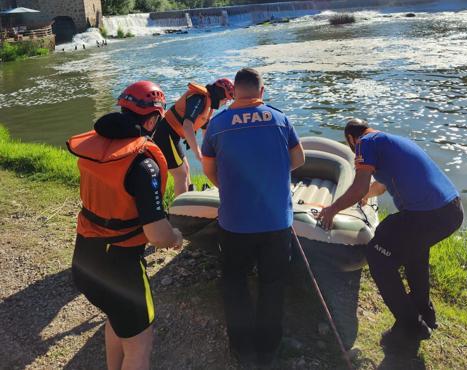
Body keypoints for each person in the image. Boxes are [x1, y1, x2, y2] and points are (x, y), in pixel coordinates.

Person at [319, 118, 463, 349]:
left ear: (351, 139)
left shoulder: (365, 143)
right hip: (451, 210)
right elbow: (380, 185)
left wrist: (332, 209)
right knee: (415, 252)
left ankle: (410, 326)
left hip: (426, 214)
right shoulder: (390, 140)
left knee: (378, 254)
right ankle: (425, 314)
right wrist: (368, 195)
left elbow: (358, 187)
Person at [68, 81, 183, 370]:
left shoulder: (96, 148)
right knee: (140, 346)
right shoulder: (143, 163)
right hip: (120, 267)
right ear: (154, 118)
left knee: (117, 320)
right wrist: (175, 236)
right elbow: (157, 235)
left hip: (84, 261)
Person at [201, 67, 305, 365]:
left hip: (235, 222)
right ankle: (269, 350)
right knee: (272, 284)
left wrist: (232, 186)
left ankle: (243, 349)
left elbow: (209, 170)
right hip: (276, 222)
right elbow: (299, 159)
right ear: (262, 92)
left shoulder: (217, 125)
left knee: (235, 282)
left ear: (233, 92)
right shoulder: (280, 119)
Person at [153, 77, 235, 196]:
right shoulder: (199, 99)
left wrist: (213, 153)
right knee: (180, 174)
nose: (226, 102)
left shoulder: (208, 106)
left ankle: (189, 197)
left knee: (185, 168)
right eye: (226, 99)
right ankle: (181, 211)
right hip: (165, 133)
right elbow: (187, 125)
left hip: (173, 135)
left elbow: (206, 133)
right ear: (220, 94)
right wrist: (198, 153)